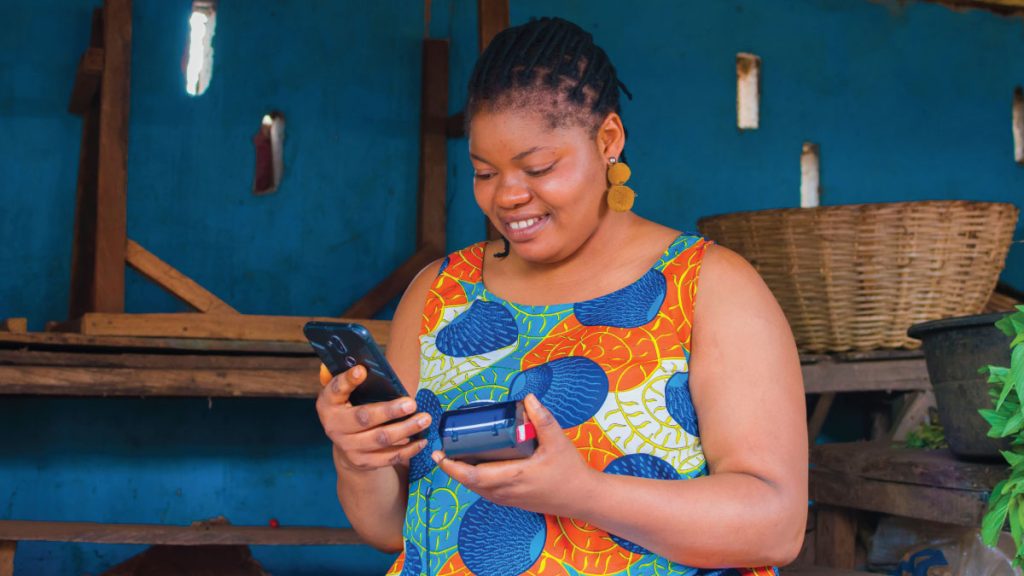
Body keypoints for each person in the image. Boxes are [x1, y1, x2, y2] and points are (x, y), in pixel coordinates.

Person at [316, 17, 807, 575]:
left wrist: (581, 492)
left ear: (608, 141)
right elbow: (389, 530)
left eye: (539, 167)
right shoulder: (439, 294)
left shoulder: (709, 286)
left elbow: (776, 526)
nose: (508, 196)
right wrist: (358, 459)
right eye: (484, 172)